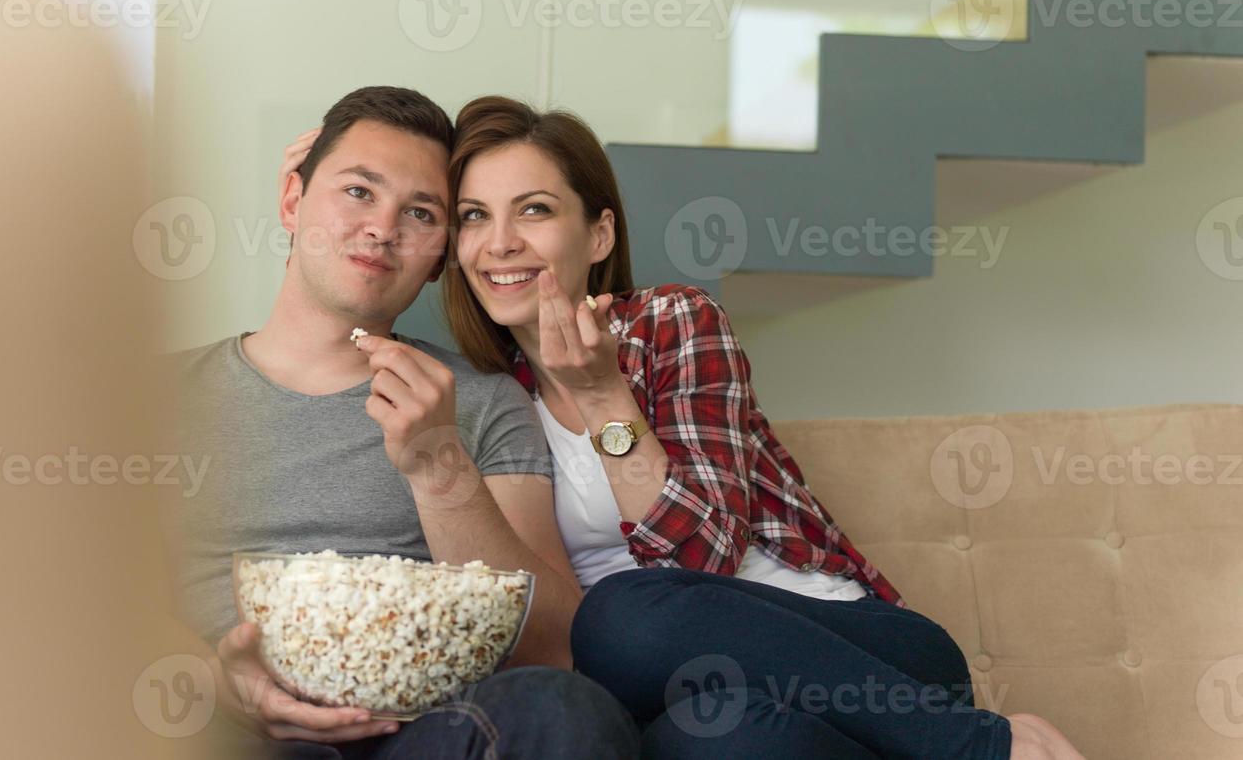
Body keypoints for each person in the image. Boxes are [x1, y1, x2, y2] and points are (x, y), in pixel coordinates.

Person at [431, 94, 1087, 760]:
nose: (500, 241)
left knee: (618, 615)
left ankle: (984, 749)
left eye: (534, 209)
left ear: (597, 235)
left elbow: (703, 558)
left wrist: (602, 395)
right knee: (721, 738)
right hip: (692, 699)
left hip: (864, 653)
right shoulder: (486, 401)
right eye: (474, 216)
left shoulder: (671, 323)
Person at [169, 87, 638, 759]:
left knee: (560, 709)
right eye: (358, 191)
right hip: (217, 733)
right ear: (293, 200)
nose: (383, 228)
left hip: (423, 737)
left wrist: (440, 468)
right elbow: (76, 598)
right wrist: (211, 682)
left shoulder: (480, 401)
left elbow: (551, 648)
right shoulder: (155, 396)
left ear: (442, 252)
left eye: (419, 212)